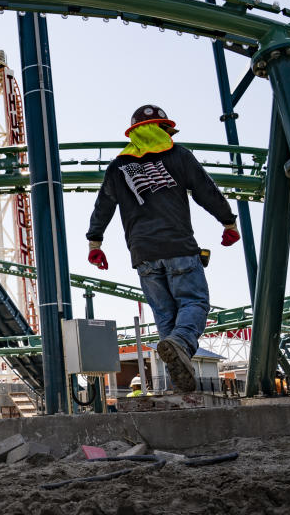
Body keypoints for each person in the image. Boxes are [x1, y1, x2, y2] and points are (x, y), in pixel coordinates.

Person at [86, 104, 240, 393]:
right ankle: (181, 343)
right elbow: (206, 189)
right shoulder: (178, 154)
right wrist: (228, 222)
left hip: (143, 255)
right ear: (165, 129)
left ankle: (178, 383)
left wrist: (95, 242)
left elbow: (103, 205)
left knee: (165, 317)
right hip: (178, 245)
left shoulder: (118, 166)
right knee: (194, 302)